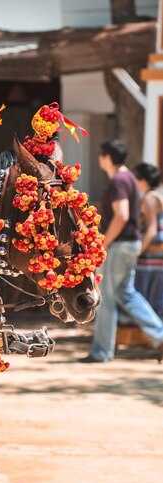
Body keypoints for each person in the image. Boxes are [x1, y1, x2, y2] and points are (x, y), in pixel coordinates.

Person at [79, 139, 163, 363]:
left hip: (118, 245)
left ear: (106, 157)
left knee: (106, 297)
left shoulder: (118, 180)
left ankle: (102, 352)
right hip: (129, 244)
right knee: (125, 293)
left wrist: (103, 243)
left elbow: (122, 215)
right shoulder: (131, 179)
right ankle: (159, 334)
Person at [133, 162, 163, 318]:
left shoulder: (149, 199)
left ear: (142, 180)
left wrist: (137, 252)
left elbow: (151, 230)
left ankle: (154, 337)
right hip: (158, 256)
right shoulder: (157, 196)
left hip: (151, 259)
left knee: (147, 301)